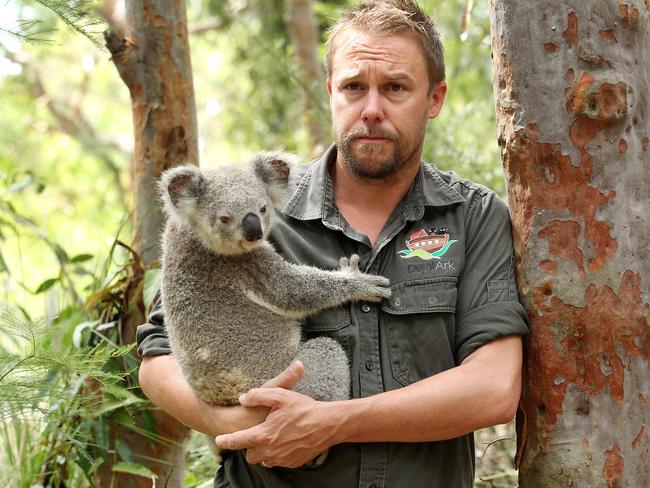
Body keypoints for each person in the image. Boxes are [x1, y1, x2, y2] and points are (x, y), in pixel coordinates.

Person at [136, 0, 529, 486]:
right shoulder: (253, 206)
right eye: (353, 87)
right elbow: (156, 357)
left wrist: (335, 422)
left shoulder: (473, 217)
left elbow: (493, 389)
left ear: (435, 98)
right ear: (330, 93)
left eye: (395, 88)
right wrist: (236, 425)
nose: (371, 110)